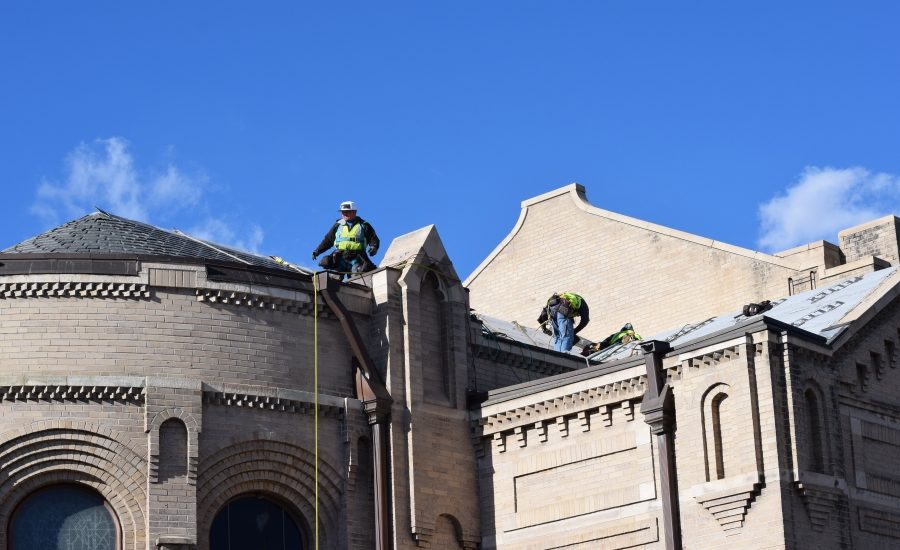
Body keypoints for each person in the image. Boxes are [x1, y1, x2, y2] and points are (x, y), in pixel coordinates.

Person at [312, 201, 380, 279]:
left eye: (347, 212)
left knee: (357, 279)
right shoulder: (338, 225)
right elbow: (328, 240)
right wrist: (317, 251)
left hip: (357, 258)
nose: (344, 214)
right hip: (339, 258)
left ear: (354, 212)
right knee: (333, 278)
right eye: (343, 212)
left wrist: (374, 247)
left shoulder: (363, 225)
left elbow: (373, 238)